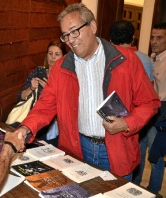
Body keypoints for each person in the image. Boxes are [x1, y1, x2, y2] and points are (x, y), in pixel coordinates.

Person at [15, 3, 160, 180]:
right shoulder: (61, 67)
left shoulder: (126, 60)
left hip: (115, 149)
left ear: (92, 26)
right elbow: (45, 105)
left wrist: (127, 123)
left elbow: (150, 102)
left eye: (75, 31)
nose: (71, 40)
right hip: (76, 149)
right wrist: (26, 127)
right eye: (65, 35)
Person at [108, 19, 160, 189]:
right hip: (139, 118)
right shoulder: (144, 59)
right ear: (133, 37)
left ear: (110, 39)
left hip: (112, 122)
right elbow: (150, 91)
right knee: (141, 152)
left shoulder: (106, 59)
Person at [12, 40, 66, 146]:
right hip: (31, 121)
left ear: (63, 57)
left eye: (57, 54)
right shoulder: (38, 72)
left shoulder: (65, 78)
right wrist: (31, 88)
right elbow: (20, 96)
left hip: (52, 128)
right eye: (50, 53)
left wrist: (50, 91)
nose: (53, 57)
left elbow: (65, 106)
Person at [146, 22, 166, 194]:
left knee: (155, 157)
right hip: (150, 113)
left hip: (161, 116)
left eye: (159, 38)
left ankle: (153, 192)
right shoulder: (153, 57)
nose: (154, 41)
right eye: (153, 37)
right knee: (144, 154)